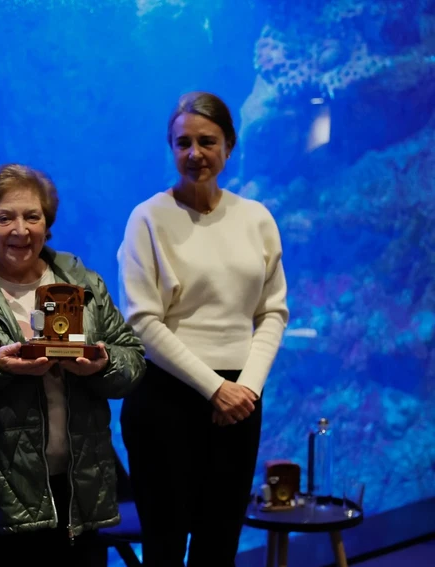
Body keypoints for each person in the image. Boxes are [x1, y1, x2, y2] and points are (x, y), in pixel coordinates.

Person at [117, 91, 289, 566]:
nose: (195, 154)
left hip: (240, 403)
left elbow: (273, 312)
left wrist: (245, 390)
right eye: (183, 143)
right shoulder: (147, 219)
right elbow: (142, 320)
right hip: (165, 400)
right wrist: (216, 389)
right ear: (171, 149)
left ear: (229, 145)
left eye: (207, 141)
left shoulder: (257, 219)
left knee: (220, 544)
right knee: (166, 546)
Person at [0, 163, 146, 566]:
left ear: (47, 224)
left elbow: (133, 358)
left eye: (32, 216)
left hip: (80, 492)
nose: (21, 229)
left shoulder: (82, 281)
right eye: (5, 217)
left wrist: (101, 366)